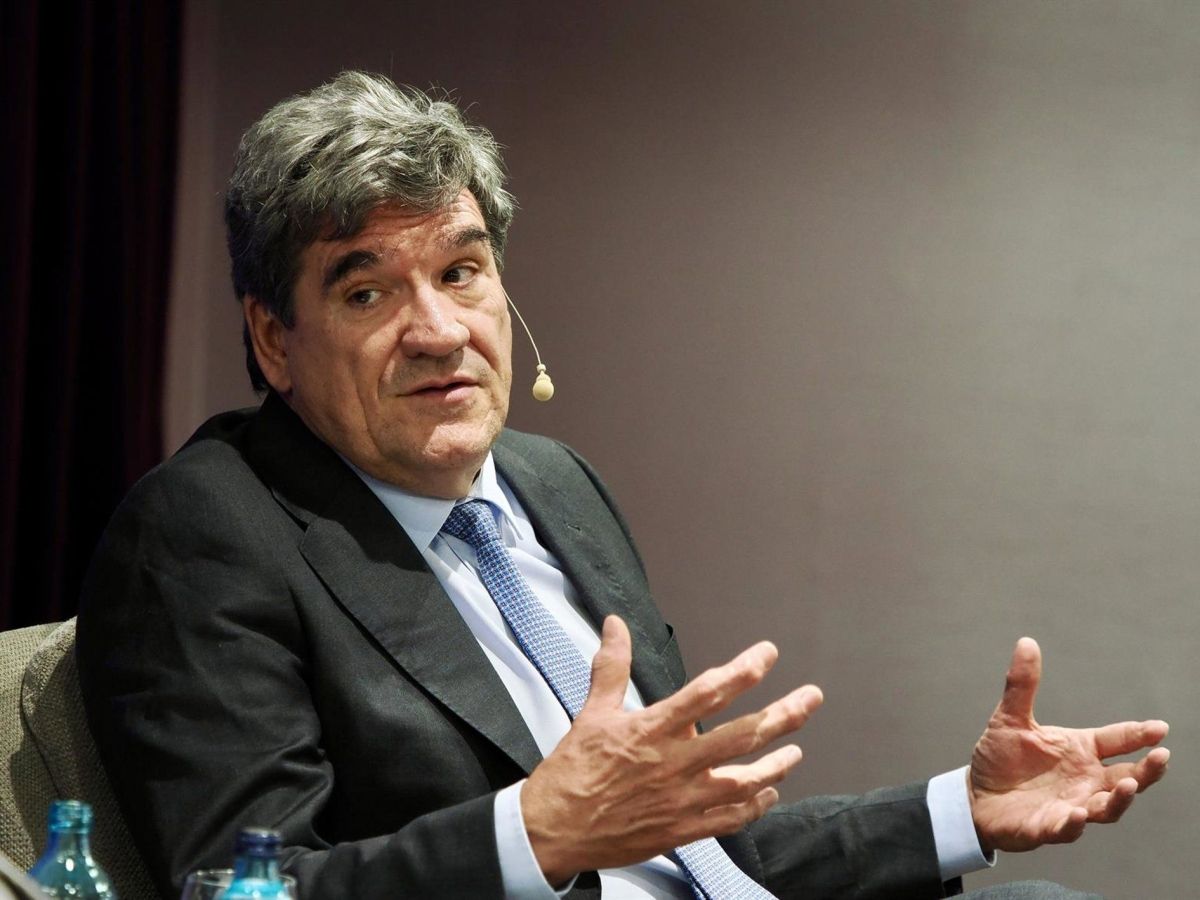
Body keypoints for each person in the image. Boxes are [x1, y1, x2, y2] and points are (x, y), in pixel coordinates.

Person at [76, 71, 1169, 900]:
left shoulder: (553, 483)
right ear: (274, 339)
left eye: (461, 271)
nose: (439, 330)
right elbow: (246, 887)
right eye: (367, 293)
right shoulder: (206, 530)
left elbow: (703, 859)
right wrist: (536, 834)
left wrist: (960, 811)